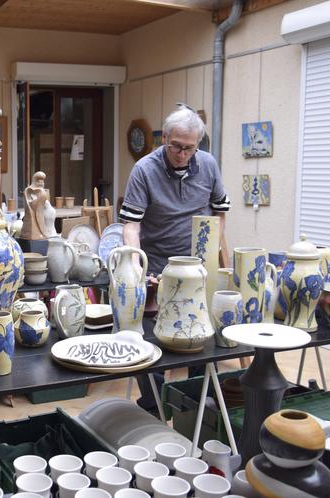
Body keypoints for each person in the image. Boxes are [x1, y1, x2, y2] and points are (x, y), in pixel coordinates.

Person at [119, 104, 231, 414]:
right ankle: (153, 408)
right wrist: (138, 268)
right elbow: (131, 225)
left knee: (201, 341)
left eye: (189, 148)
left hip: (197, 270)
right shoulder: (144, 169)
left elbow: (220, 211)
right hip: (157, 269)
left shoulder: (207, 165)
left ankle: (197, 407)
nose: (182, 154)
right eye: (175, 146)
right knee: (152, 346)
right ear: (164, 137)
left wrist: (210, 254)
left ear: (198, 145)